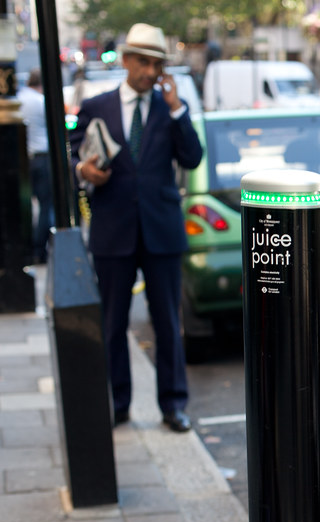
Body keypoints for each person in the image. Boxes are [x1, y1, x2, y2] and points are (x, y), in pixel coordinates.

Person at [69, 23, 204, 433]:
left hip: (161, 231)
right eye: (143, 62)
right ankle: (118, 401)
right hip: (113, 229)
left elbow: (193, 158)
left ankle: (173, 404)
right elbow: (75, 153)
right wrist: (84, 170)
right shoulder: (97, 106)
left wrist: (179, 110)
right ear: (126, 60)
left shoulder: (170, 108)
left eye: (157, 64)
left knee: (167, 322)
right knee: (112, 322)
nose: (149, 71)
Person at [17, 69, 54, 264]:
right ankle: (39, 250)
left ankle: (27, 248)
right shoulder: (40, 102)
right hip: (41, 157)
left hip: (23, 160)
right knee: (46, 206)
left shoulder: (19, 98)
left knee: (25, 205)